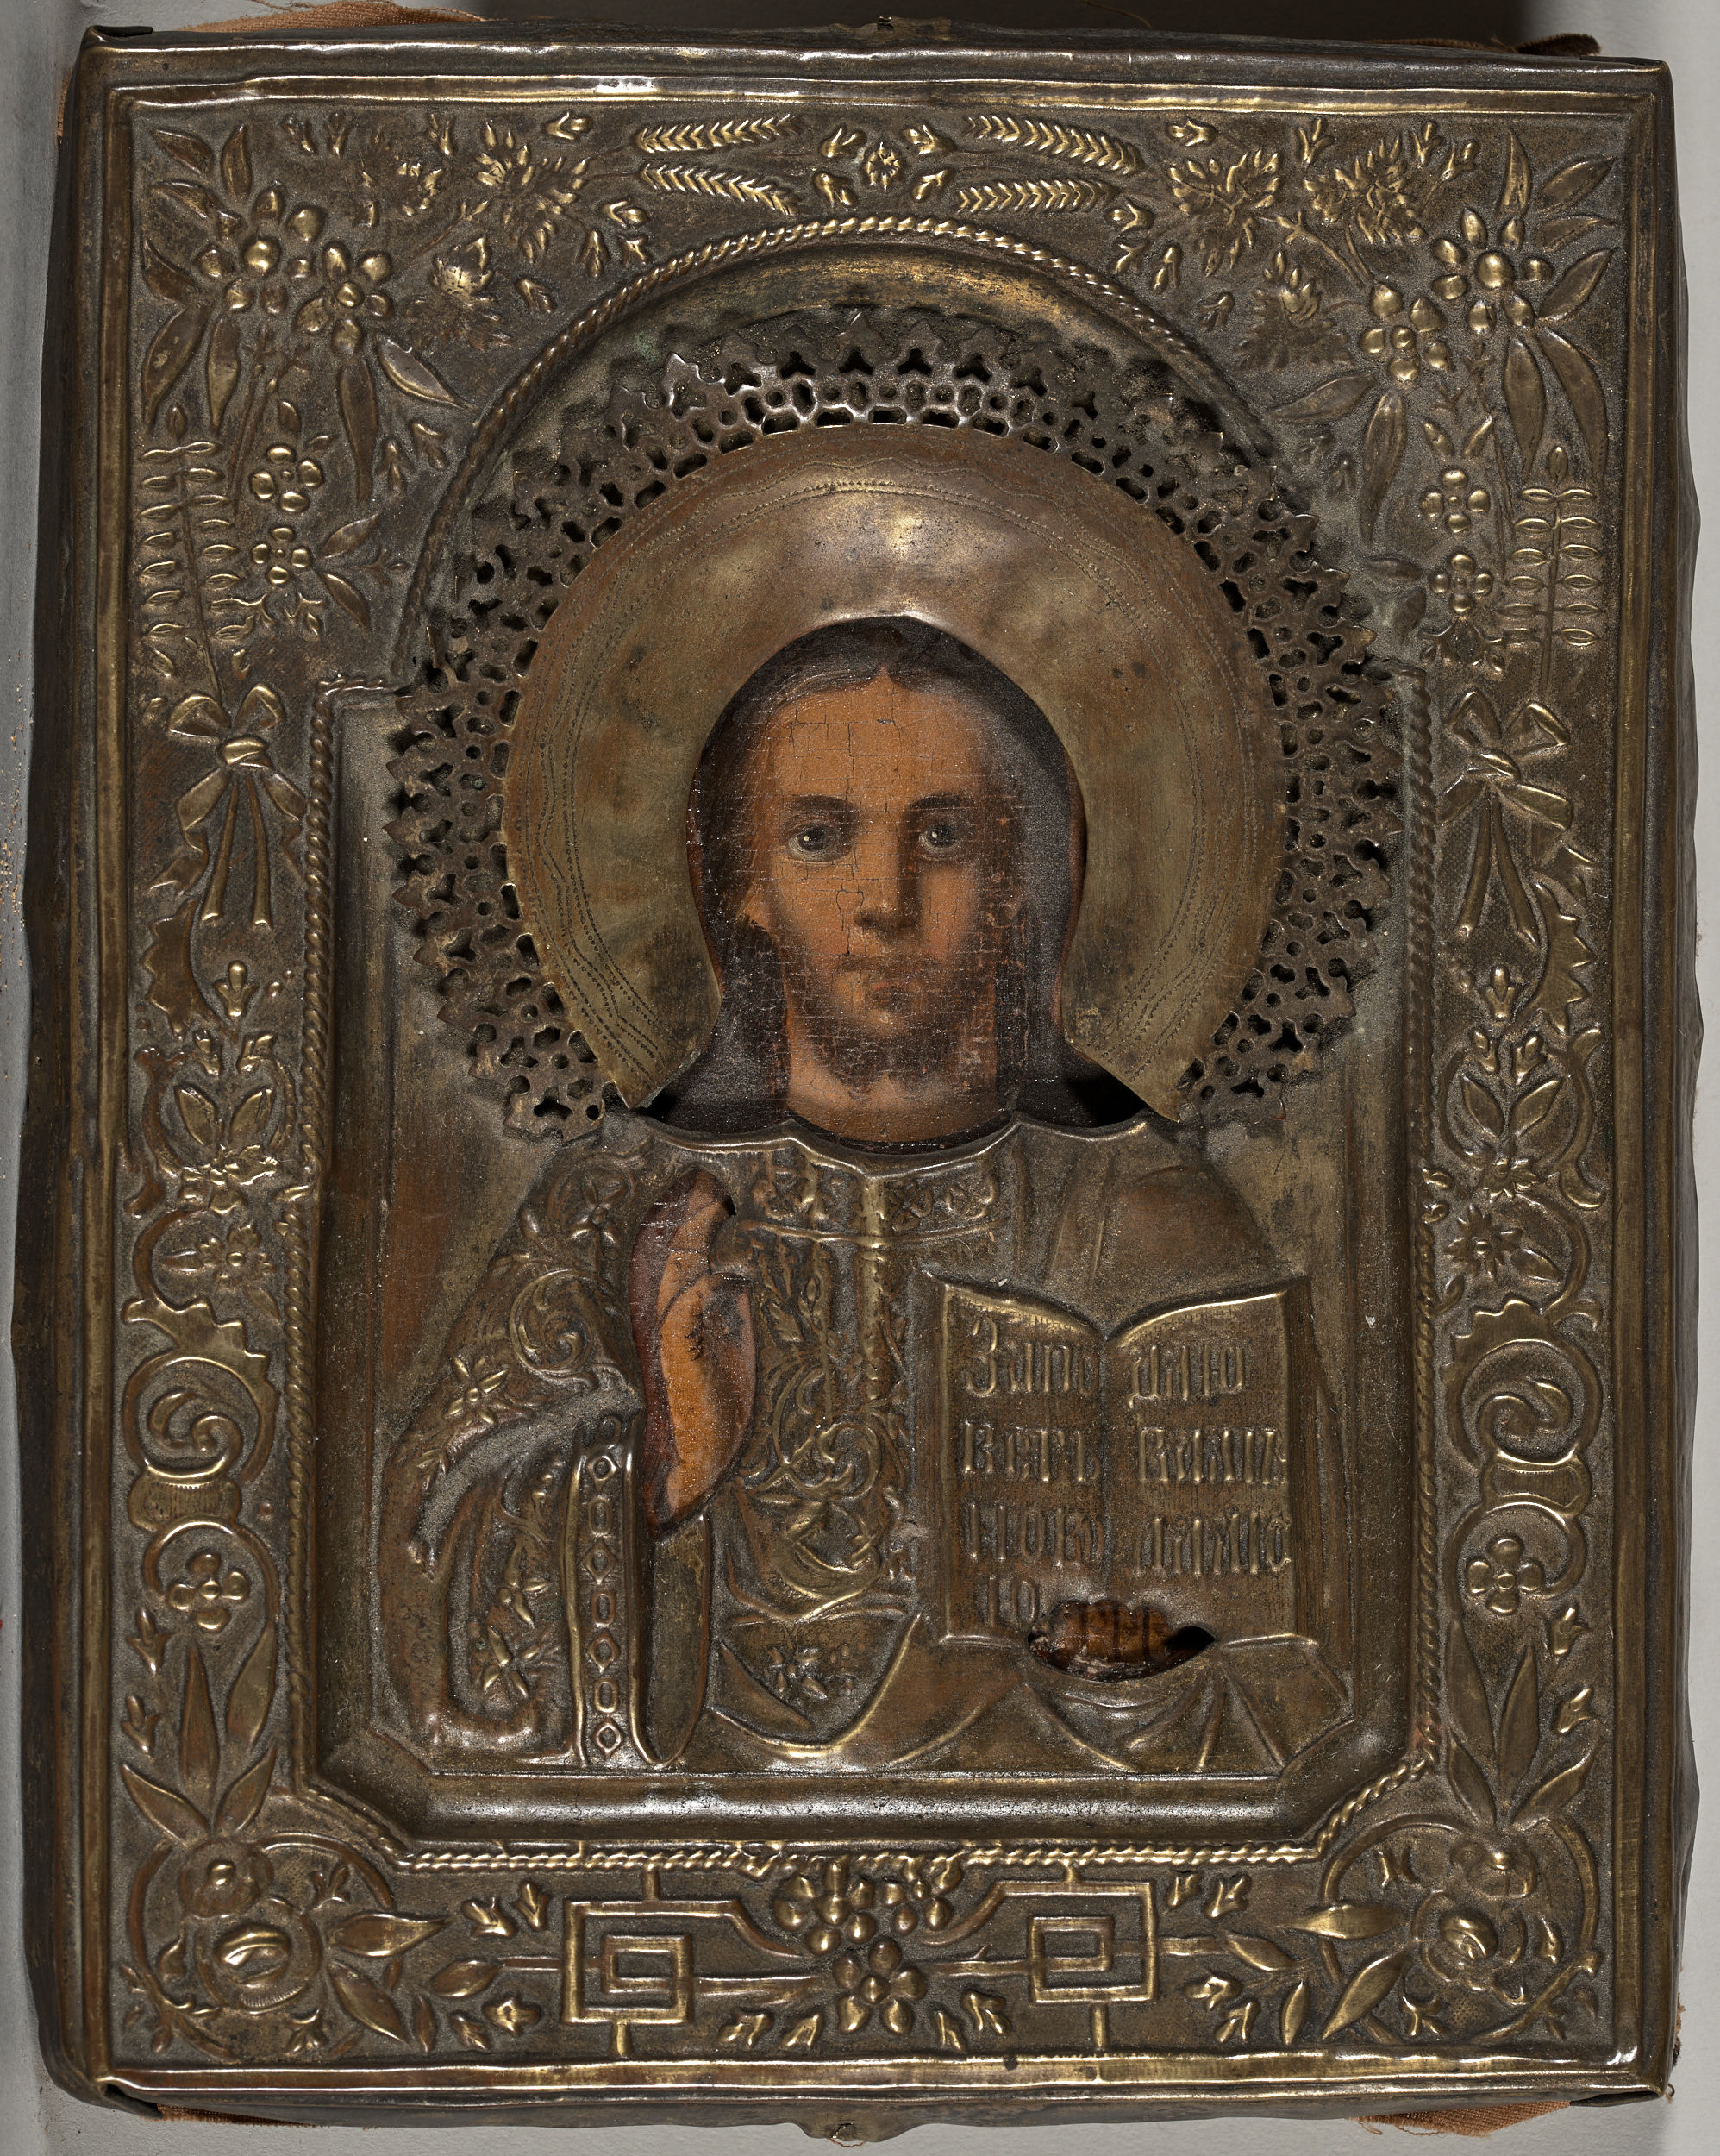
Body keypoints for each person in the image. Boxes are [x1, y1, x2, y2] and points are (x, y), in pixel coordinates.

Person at [380, 620, 1348, 1772]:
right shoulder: (624, 1200)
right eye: (820, 837)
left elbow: (1323, 1668)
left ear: (1018, 878)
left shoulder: (1147, 1212)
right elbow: (427, 1570)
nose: (887, 900)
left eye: (943, 836)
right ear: (742, 879)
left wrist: (1144, 1672)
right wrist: (663, 1472)